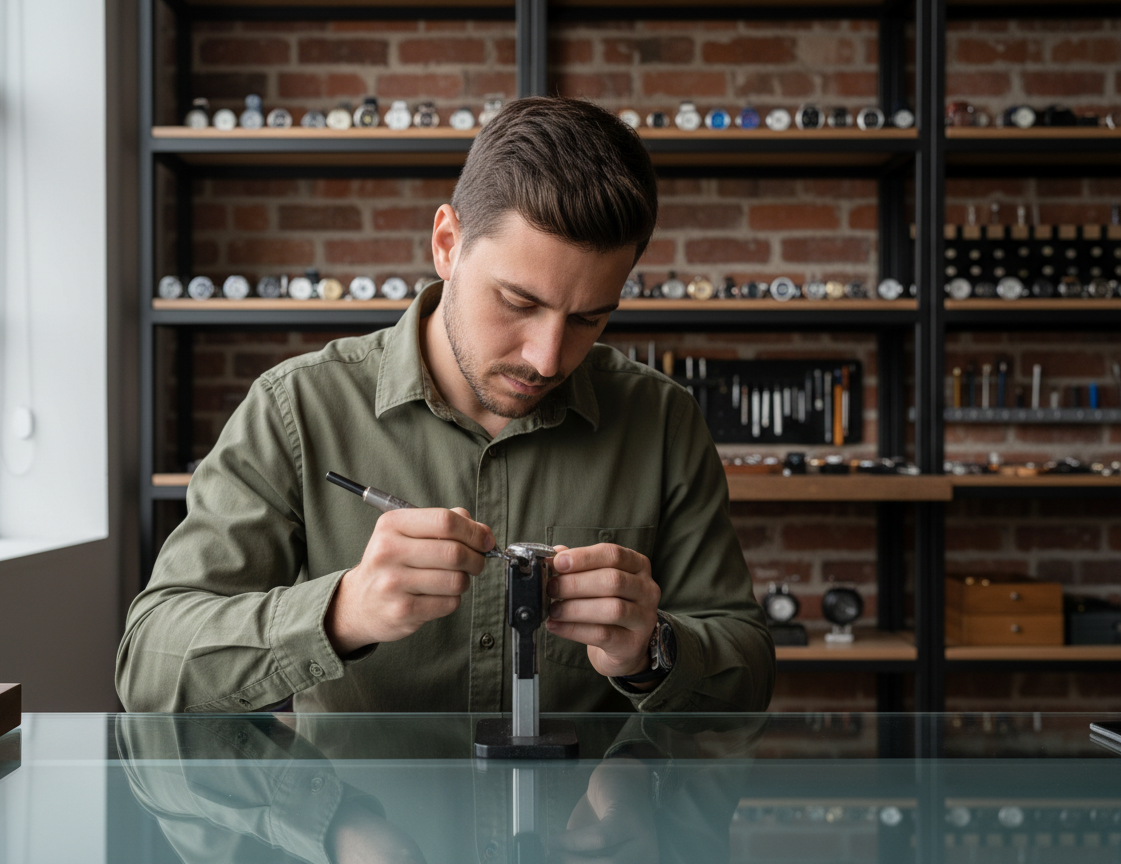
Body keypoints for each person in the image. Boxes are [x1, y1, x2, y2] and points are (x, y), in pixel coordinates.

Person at [116, 96, 774, 714]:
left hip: (583, 823)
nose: (546, 358)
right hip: (355, 823)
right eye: (518, 303)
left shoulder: (660, 421)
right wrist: (342, 612)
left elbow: (748, 667)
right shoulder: (297, 409)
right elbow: (148, 666)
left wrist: (649, 650)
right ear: (446, 245)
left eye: (588, 319)